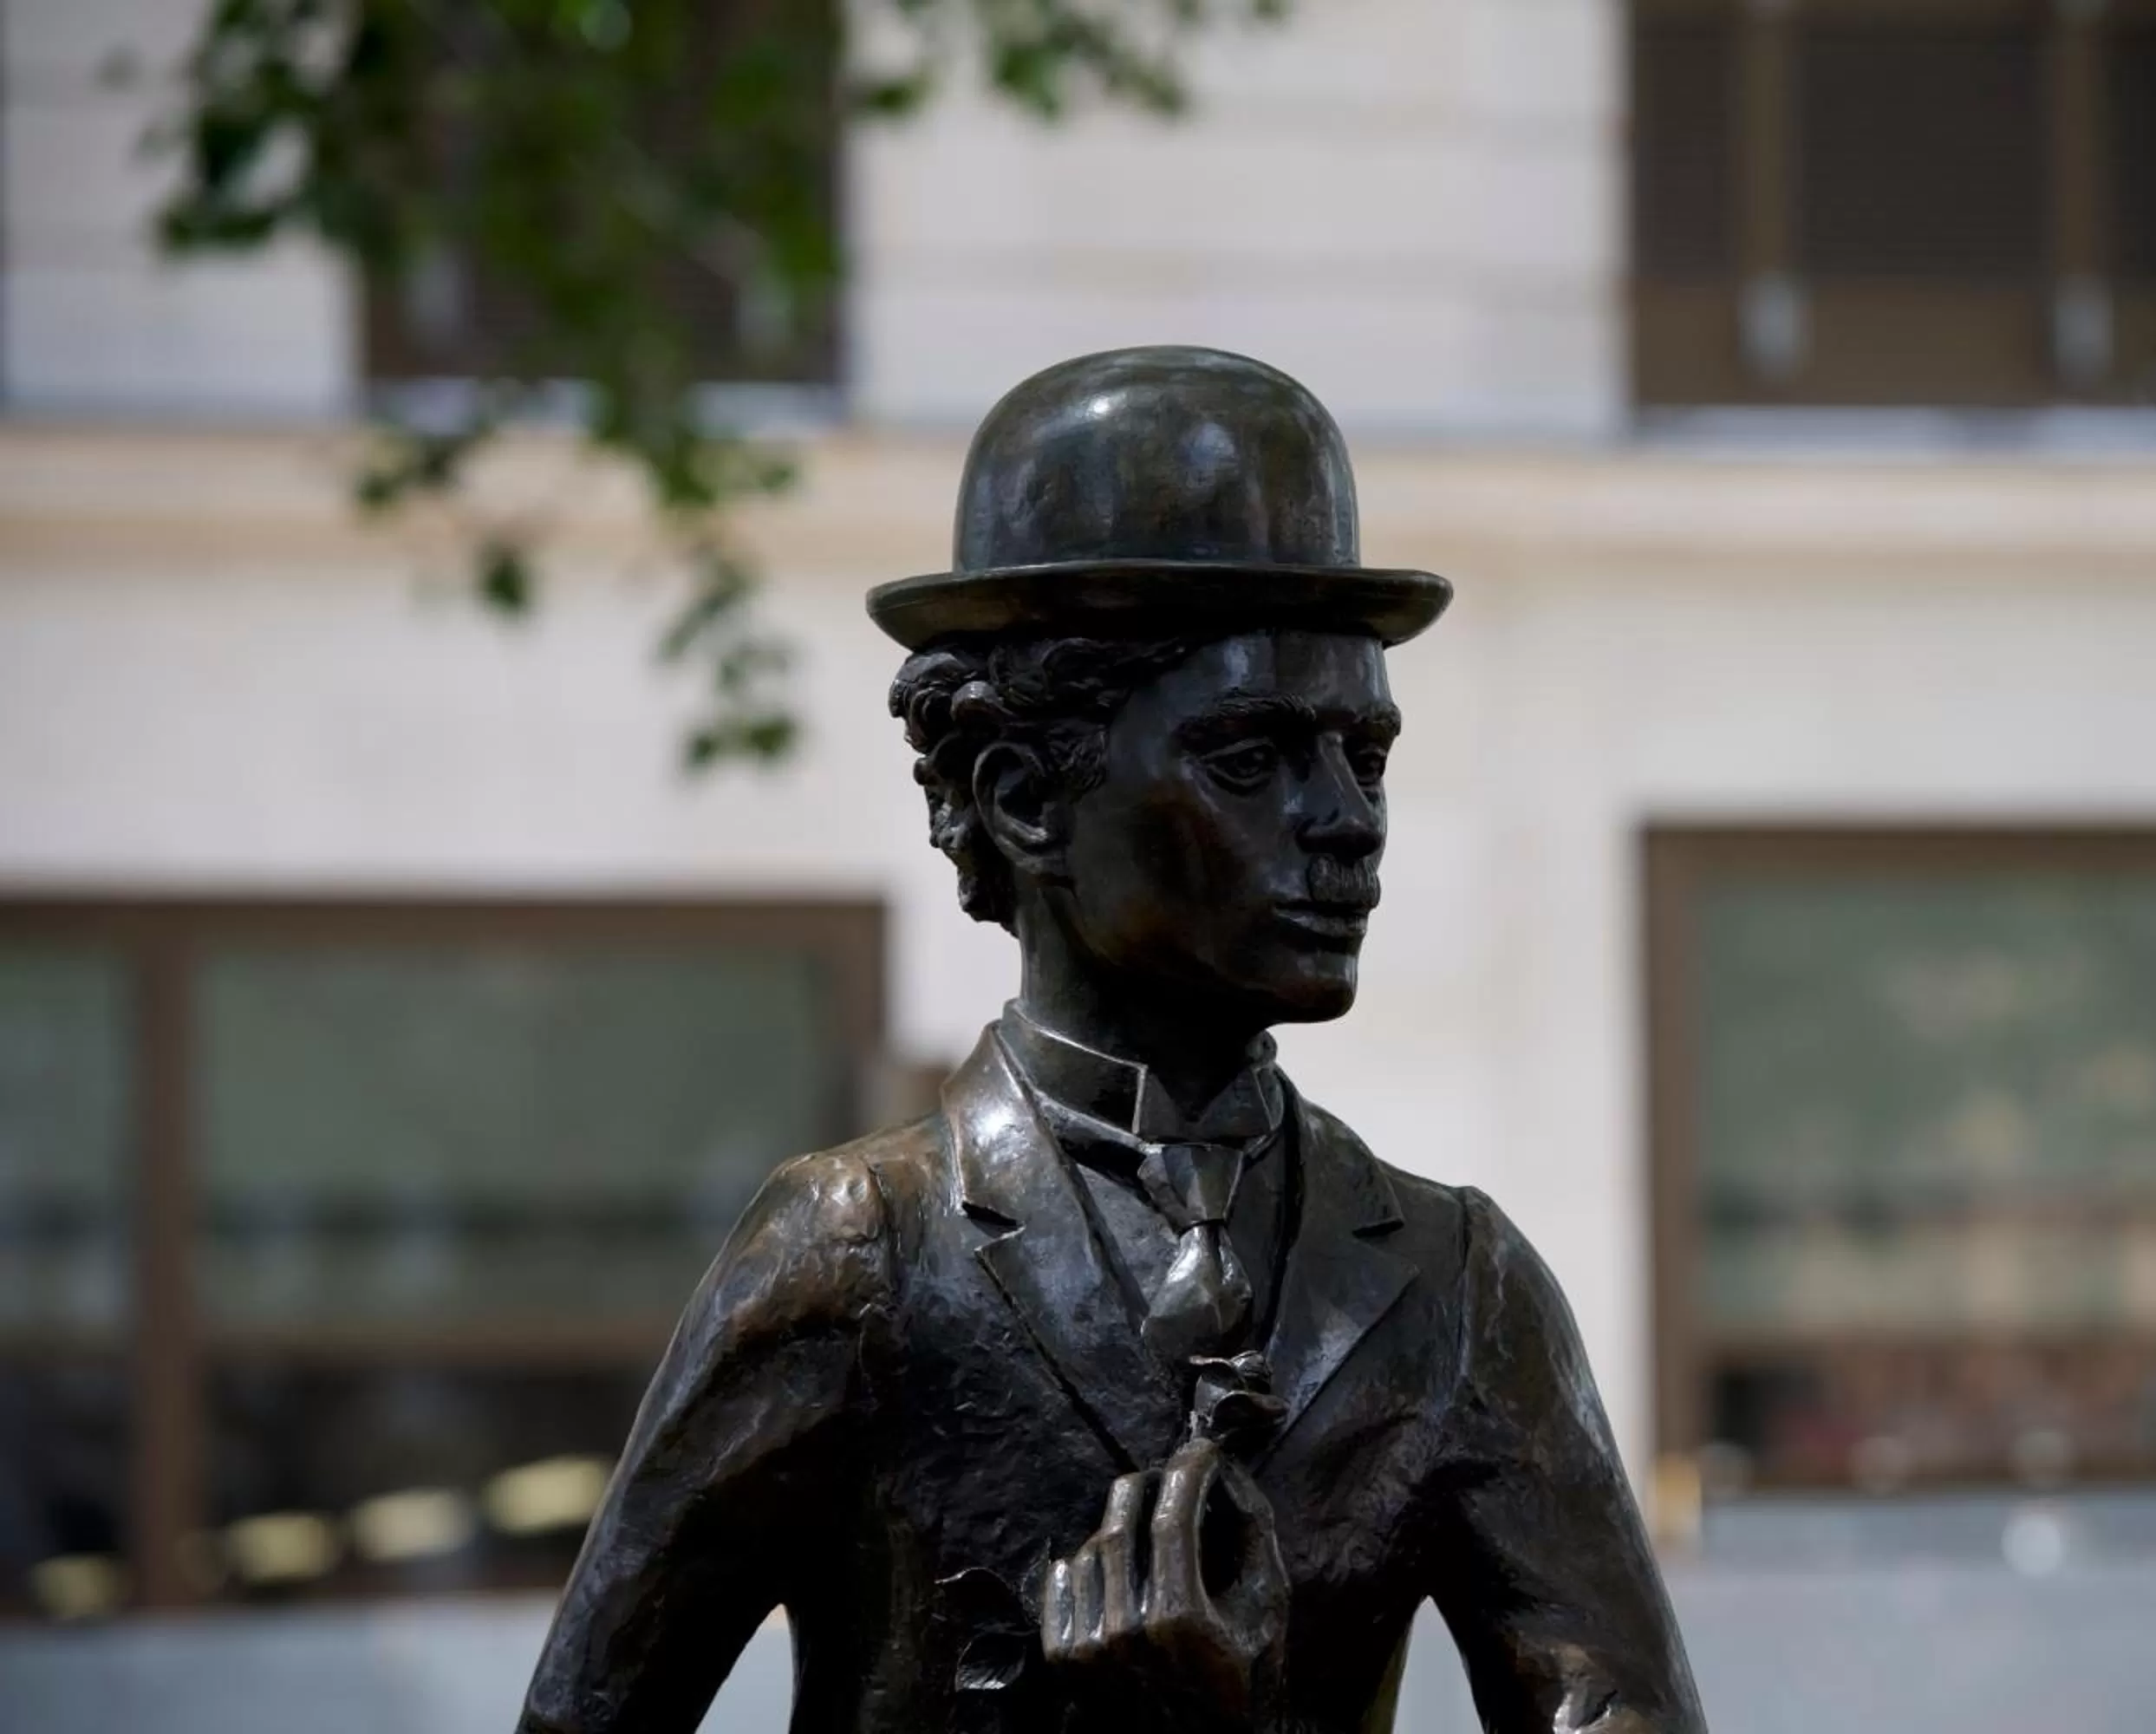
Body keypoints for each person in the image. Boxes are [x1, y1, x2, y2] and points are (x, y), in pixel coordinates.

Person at [518, 346, 1703, 1734]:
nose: (1347, 822)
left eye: (1364, 755)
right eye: (1254, 760)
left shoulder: (1460, 1290)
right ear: (1024, 798)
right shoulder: (859, 1256)